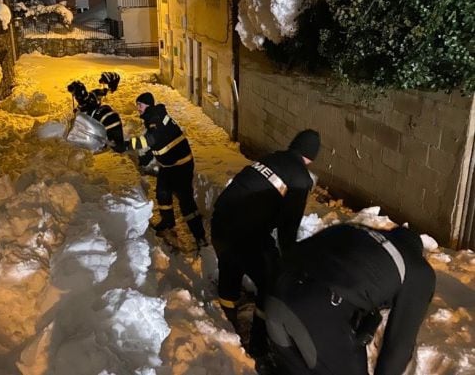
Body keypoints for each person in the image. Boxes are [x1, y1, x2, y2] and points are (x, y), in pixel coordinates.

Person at [264, 223, 435, 375]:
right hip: (316, 307)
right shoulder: (419, 270)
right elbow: (399, 345)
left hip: (275, 295)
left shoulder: (355, 231)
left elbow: (297, 255)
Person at [210, 129, 320, 357]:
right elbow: (288, 228)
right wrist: (289, 263)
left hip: (221, 222)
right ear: (312, 156)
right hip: (247, 233)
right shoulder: (300, 178)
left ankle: (227, 328)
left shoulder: (271, 158)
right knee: (271, 281)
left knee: (230, 272)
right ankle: (258, 345)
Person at [125, 92, 207, 248]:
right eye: (137, 105)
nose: (138, 108)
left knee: (186, 203)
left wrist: (127, 144)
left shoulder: (155, 119)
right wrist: (147, 157)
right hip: (169, 166)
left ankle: (200, 236)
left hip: (181, 166)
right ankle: (168, 223)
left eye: (140, 105)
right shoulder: (154, 116)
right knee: (162, 193)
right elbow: (158, 141)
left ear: (147, 105)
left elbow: (150, 139)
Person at [67, 73, 125, 152]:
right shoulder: (94, 94)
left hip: (104, 126)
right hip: (109, 122)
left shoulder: (83, 108)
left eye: (77, 96)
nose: (77, 98)